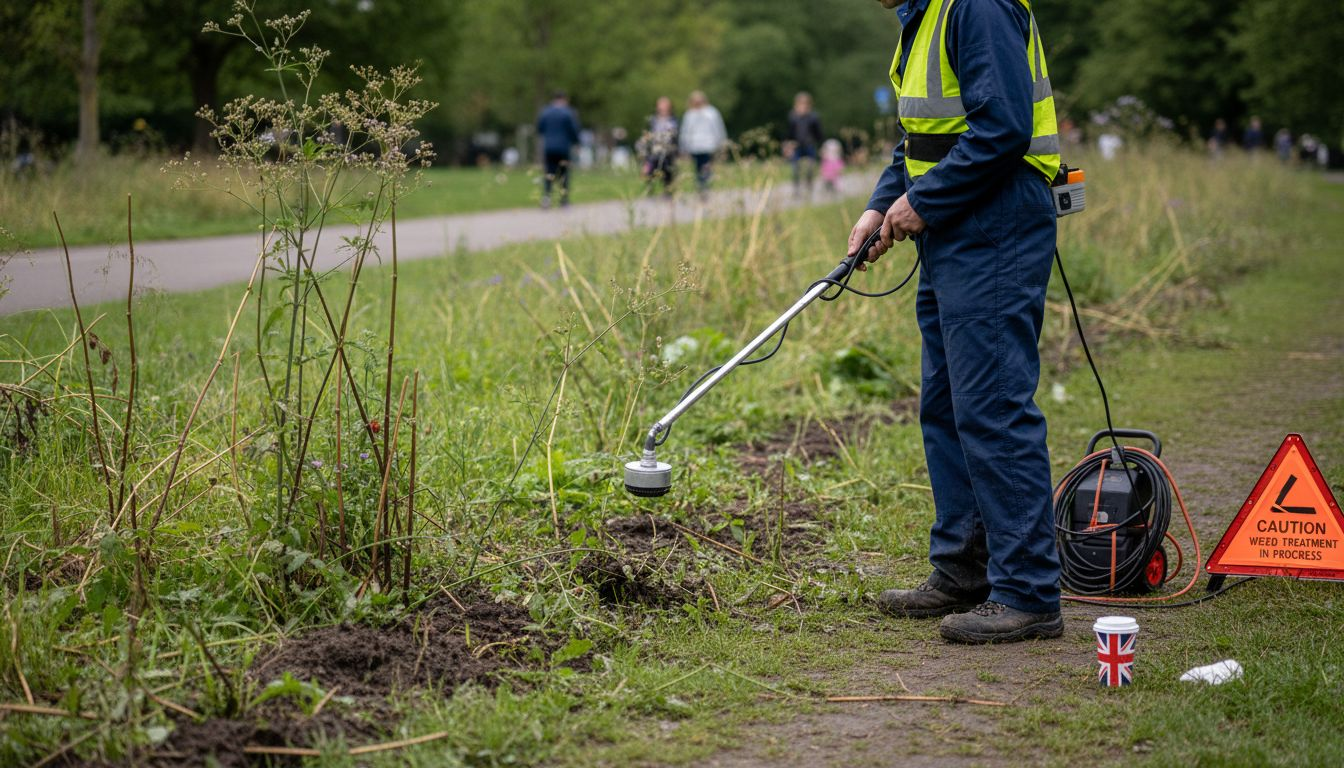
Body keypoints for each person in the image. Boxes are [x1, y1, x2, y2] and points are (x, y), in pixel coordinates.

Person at [850, 0, 1065, 644]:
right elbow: (927, 138)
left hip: (995, 224)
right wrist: (882, 203)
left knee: (992, 407)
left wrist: (925, 200)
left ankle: (1028, 593)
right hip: (954, 230)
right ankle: (964, 569)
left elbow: (1003, 128)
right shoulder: (926, 16)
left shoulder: (975, 5)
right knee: (945, 405)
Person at [536, 91, 581, 209]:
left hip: (549, 147)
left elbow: (540, 129)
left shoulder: (545, 112)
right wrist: (577, 143)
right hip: (563, 148)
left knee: (549, 173)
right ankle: (564, 200)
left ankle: (546, 198)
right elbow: (573, 131)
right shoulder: (568, 113)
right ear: (564, 99)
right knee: (564, 173)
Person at [680, 90, 728, 199]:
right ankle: (701, 187)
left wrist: (721, 143)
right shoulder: (689, 114)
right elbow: (685, 132)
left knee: (706, 166)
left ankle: (705, 186)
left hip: (708, 145)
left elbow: (718, 128)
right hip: (695, 147)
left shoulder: (711, 112)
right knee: (698, 167)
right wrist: (684, 147)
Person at [637, 96, 680, 198]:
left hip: (668, 151)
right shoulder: (652, 120)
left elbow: (677, 136)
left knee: (667, 172)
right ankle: (649, 190)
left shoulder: (674, 120)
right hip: (653, 151)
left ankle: (668, 191)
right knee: (649, 171)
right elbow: (646, 134)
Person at [787, 92, 823, 196]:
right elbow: (789, 132)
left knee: (810, 168)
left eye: (805, 104)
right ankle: (796, 189)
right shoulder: (793, 117)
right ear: (796, 105)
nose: (803, 107)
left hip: (809, 145)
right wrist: (788, 144)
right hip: (796, 146)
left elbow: (818, 133)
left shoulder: (813, 118)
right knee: (795, 169)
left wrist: (820, 145)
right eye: (800, 104)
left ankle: (809, 186)